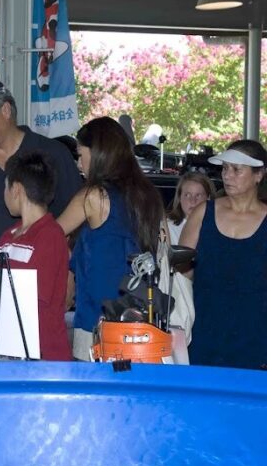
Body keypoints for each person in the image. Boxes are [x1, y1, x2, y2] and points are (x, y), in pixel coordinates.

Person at [0, 75, 82, 274]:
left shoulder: (52, 155)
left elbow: (77, 222)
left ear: (6, 110)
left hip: (39, 282)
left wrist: (67, 275)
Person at [57, 117, 163, 361]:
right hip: (139, 321)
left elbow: (49, 233)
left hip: (96, 321)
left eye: (80, 155)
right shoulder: (148, 196)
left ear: (98, 154)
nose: (78, 163)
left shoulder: (94, 195)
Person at [179, 140, 267, 369]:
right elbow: (181, 275)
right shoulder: (203, 213)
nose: (227, 175)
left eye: (237, 169)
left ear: (258, 175)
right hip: (204, 333)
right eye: (225, 168)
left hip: (256, 339)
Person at [0, 152, 72, 361]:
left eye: (5, 187)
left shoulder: (50, 235)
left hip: (44, 359)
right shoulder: (8, 236)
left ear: (16, 189)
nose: (4, 194)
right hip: (9, 354)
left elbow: (33, 300)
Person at [165, 172, 215, 244]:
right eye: (187, 195)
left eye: (198, 195)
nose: (193, 201)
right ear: (179, 198)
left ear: (208, 198)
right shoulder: (167, 228)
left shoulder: (218, 227)